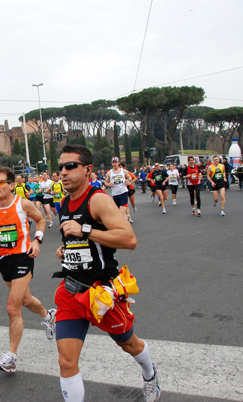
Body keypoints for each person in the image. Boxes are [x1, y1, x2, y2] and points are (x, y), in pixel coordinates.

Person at [53, 144, 160, 402]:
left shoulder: (98, 198)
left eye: (70, 166)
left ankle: (149, 371)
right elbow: (78, 239)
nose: (63, 172)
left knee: (129, 344)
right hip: (71, 291)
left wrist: (85, 231)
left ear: (88, 169)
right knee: (66, 361)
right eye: (60, 167)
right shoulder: (65, 202)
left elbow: (129, 239)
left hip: (103, 293)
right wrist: (66, 250)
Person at [0, 166, 56, 373]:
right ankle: (48, 316)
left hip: (23, 257)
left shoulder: (23, 204)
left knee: (13, 308)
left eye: (0, 183)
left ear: (12, 185)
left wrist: (37, 241)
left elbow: (40, 220)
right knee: (26, 301)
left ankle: (11, 358)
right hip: (4, 259)